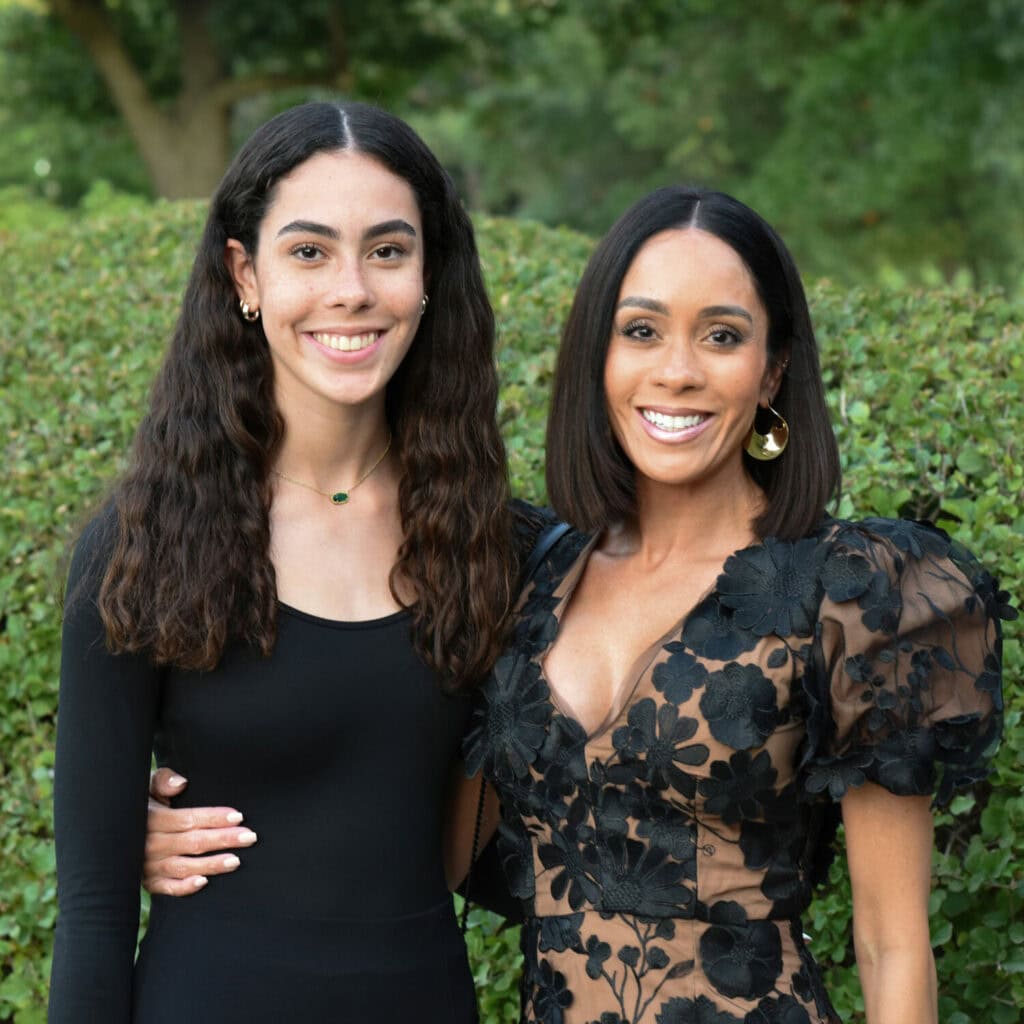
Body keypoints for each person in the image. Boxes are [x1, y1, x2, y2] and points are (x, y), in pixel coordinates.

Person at [141, 187, 1009, 1023]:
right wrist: (171, 829)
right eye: (641, 331)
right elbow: (416, 832)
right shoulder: (531, 571)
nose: (676, 371)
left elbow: (892, 945)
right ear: (599, 358)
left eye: (722, 336)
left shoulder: (854, 591)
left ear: (772, 369)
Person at [50, 100, 522, 1023]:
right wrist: (113, 831)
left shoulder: (492, 543)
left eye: (388, 251)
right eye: (309, 251)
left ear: (429, 273)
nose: (351, 289)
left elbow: (525, 841)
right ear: (246, 274)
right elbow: (94, 912)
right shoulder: (142, 547)